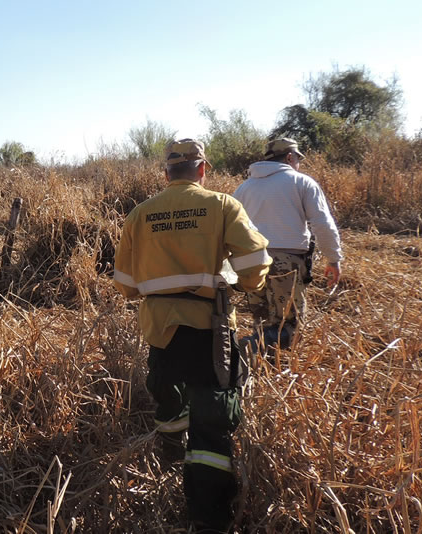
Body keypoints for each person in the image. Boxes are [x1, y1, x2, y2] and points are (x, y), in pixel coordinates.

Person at [113, 139, 272, 533]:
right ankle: (207, 514)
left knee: (167, 391)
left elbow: (126, 285)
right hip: (210, 328)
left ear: (165, 173)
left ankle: (170, 452)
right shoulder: (222, 205)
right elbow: (254, 266)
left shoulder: (140, 214)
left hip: (160, 327)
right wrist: (239, 282)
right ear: (203, 170)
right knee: (213, 417)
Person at [233, 138, 342, 351]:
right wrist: (334, 258)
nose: (299, 164)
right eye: (298, 159)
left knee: (262, 320)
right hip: (286, 262)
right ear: (290, 157)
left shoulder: (244, 188)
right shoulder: (301, 182)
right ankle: (245, 350)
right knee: (288, 325)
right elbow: (322, 223)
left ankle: (256, 368)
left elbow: (233, 227)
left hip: (251, 261)